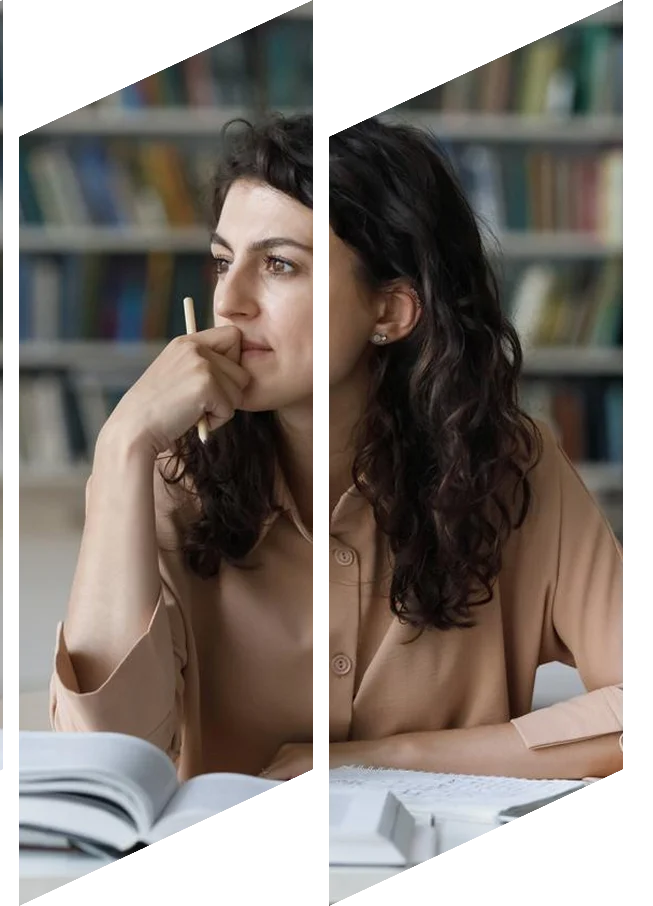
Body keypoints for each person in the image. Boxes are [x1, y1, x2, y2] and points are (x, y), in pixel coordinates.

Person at [48, 111, 623, 784]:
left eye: (280, 265)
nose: (229, 302)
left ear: (390, 311)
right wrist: (122, 449)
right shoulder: (172, 470)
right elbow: (103, 760)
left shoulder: (511, 469)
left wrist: (381, 759)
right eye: (223, 262)